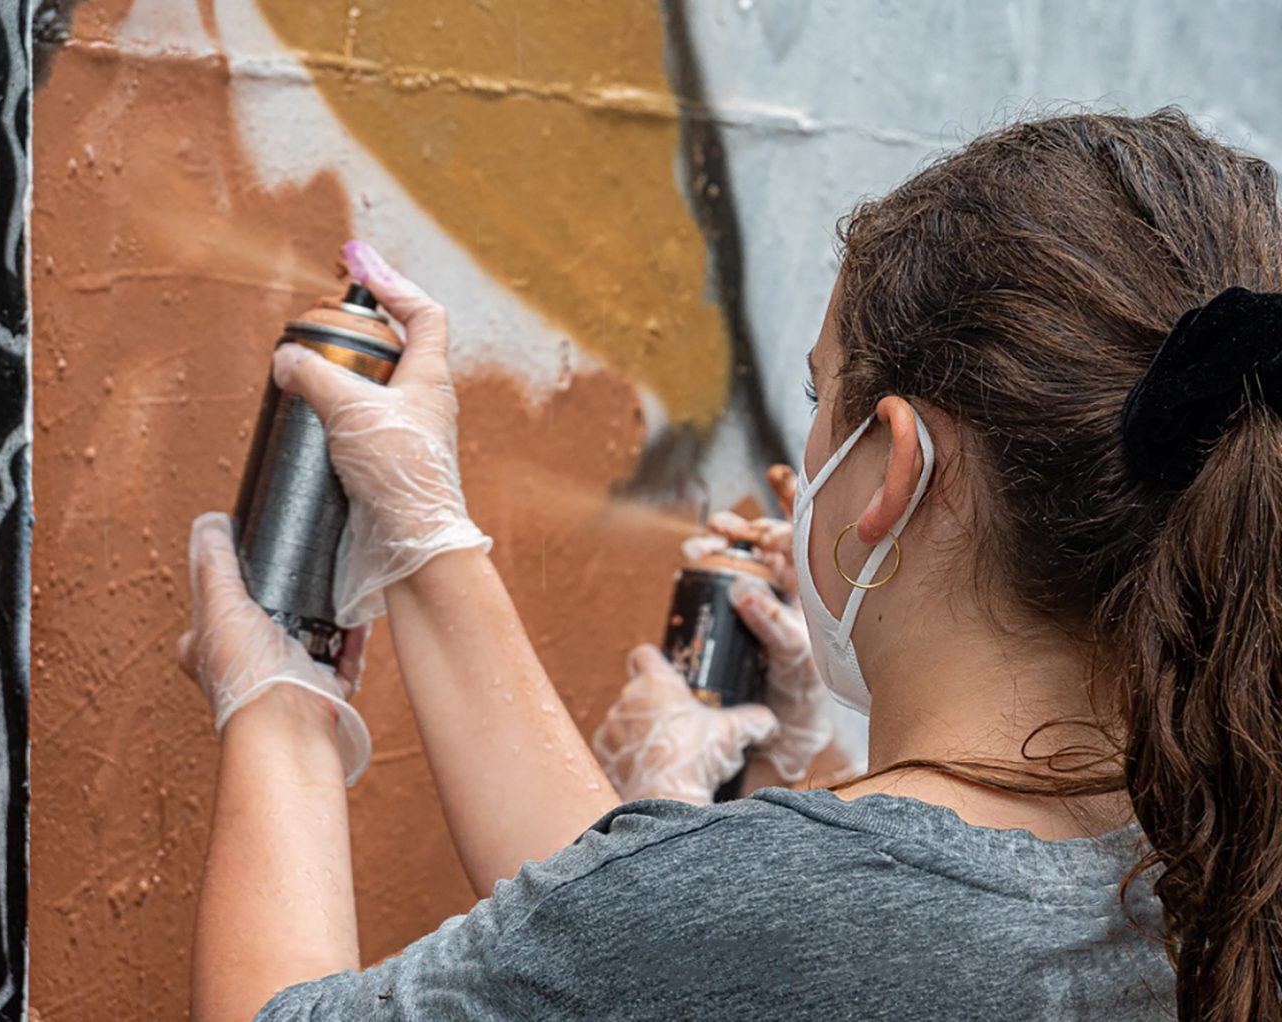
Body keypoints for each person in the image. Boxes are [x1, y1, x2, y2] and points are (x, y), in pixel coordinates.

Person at [177, 109, 1282, 1021]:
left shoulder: (791, 912)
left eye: (819, 390)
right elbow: (664, 956)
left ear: (896, 467)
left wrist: (282, 699)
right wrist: (428, 539)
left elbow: (713, 929)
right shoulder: (1220, 851)